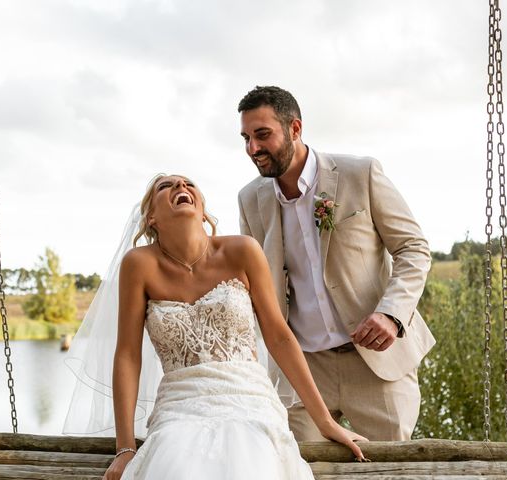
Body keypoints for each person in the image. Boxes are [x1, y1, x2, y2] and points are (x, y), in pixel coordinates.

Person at [83, 174, 367, 480]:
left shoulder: (243, 250)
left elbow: (279, 337)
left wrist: (324, 421)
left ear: (203, 209)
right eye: (166, 187)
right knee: (175, 463)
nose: (181, 187)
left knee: (253, 457)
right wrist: (125, 447)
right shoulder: (138, 265)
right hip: (180, 406)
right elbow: (127, 355)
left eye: (189, 184)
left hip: (249, 399)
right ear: (151, 217)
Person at [237, 85, 435, 442]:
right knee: (295, 469)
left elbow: (413, 248)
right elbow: (255, 288)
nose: (253, 149)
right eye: (246, 138)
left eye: (262, 135)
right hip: (303, 370)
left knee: (387, 470)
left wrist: (391, 314)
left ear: (295, 129)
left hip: (376, 362)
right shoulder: (250, 199)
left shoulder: (361, 173)